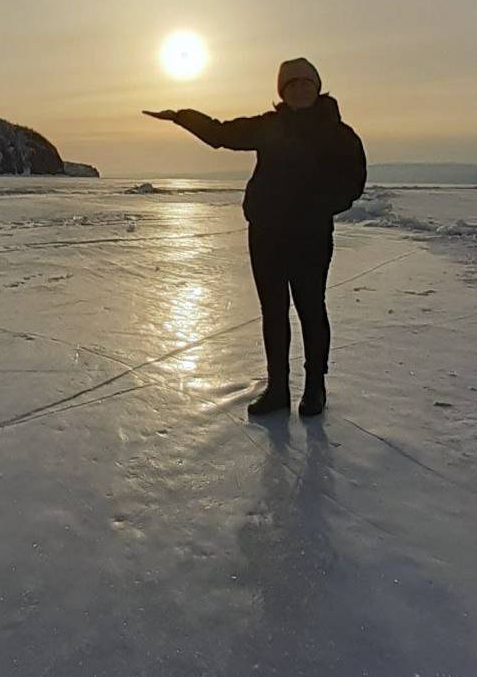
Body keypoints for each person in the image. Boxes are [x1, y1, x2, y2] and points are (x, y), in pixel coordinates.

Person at [145, 57, 366, 417]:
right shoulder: (269, 127)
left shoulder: (338, 133)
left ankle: (315, 388)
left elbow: (353, 181)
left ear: (317, 87)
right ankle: (277, 388)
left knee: (311, 309)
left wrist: (318, 206)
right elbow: (222, 134)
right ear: (282, 92)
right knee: (273, 312)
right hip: (267, 235)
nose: (299, 90)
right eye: (291, 85)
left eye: (305, 84)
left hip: (310, 236)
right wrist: (182, 116)